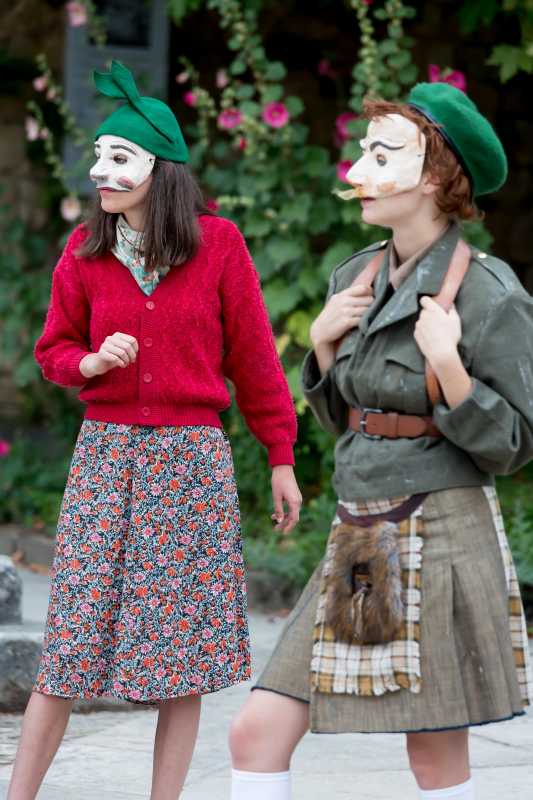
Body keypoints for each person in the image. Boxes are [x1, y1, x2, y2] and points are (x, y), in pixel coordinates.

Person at [229, 82, 533, 800]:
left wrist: (450, 369)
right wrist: (322, 347)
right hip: (360, 533)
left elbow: (514, 446)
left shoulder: (489, 293)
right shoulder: (354, 278)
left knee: (433, 755)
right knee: (255, 733)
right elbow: (349, 420)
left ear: (434, 177)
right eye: (363, 152)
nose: (356, 171)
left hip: (443, 527)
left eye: (382, 155)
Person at [7, 60, 302, 800]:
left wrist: (280, 454)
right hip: (105, 458)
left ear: (159, 169)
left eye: (119, 157)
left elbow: (256, 359)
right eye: (98, 155)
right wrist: (89, 361)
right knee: (68, 645)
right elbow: (53, 349)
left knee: (181, 661)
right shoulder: (84, 251)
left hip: (190, 464)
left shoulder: (219, 246)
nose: (100, 172)